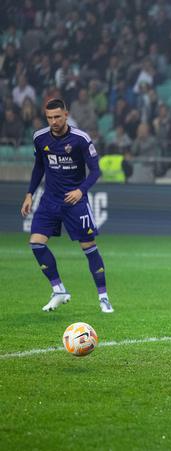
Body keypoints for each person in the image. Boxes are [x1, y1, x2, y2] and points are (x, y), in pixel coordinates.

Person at [20, 98, 113, 313]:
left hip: (75, 202)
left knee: (89, 248)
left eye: (57, 117)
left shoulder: (81, 139)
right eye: (49, 117)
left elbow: (96, 171)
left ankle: (104, 297)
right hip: (49, 200)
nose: (53, 121)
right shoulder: (39, 137)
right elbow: (39, 168)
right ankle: (59, 289)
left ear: (66, 114)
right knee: (36, 244)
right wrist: (29, 194)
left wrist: (81, 190)